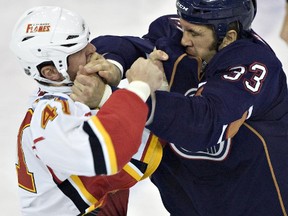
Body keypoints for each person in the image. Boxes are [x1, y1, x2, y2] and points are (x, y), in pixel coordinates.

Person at [76, 0, 288, 215]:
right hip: (189, 202)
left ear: (229, 36)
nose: (184, 39)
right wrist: (112, 66)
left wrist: (118, 97)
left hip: (254, 203)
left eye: (194, 33)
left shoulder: (254, 66)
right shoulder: (175, 35)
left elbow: (203, 123)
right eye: (183, 26)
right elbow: (123, 46)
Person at [10, 6, 164, 216]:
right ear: (52, 71)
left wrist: (111, 85)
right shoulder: (51, 118)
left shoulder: (74, 94)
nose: (93, 49)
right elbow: (109, 153)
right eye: (80, 50)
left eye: (87, 41)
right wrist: (140, 87)